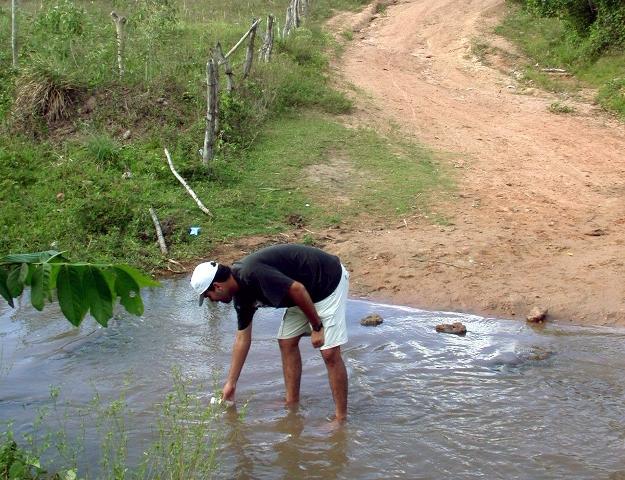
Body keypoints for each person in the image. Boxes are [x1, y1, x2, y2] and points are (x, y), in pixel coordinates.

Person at [190, 243, 350, 422]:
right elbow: (242, 339)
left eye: (208, 296)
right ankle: (292, 403)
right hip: (303, 292)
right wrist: (231, 384)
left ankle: (340, 418)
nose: (212, 301)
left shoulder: (251, 274)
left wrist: (317, 327)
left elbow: (297, 289)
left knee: (329, 352)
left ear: (218, 287)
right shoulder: (241, 296)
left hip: (326, 282)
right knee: (286, 342)